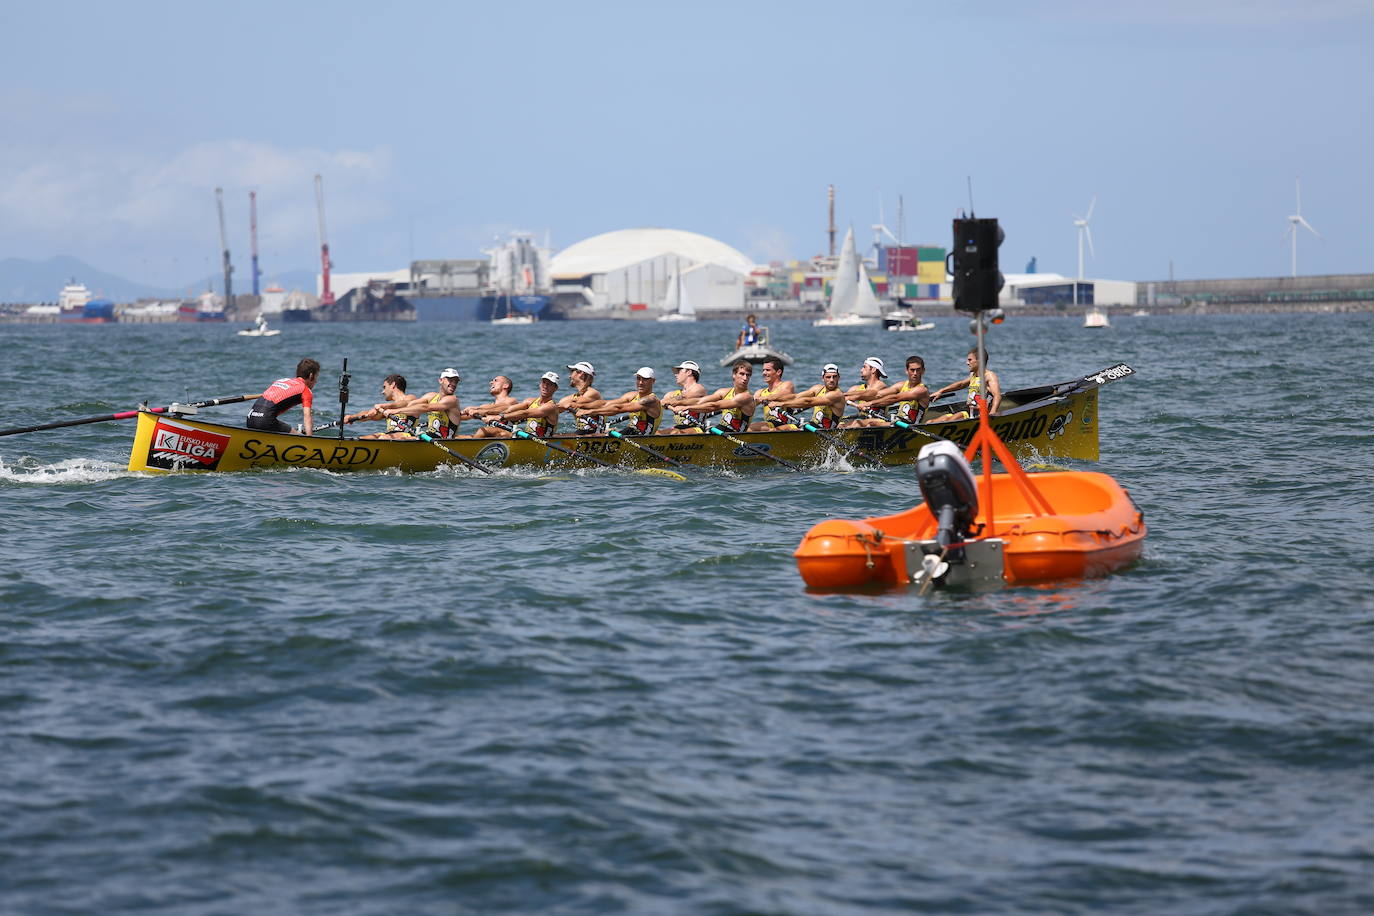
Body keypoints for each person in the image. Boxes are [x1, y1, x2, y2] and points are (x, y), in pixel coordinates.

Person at [669, 359, 755, 434]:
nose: (745, 378)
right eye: (742, 374)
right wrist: (677, 402)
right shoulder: (724, 392)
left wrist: (686, 408)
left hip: (736, 435)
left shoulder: (746, 397)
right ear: (734, 375)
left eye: (748, 375)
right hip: (721, 430)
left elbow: (714, 406)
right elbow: (700, 401)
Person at [576, 367, 662, 435]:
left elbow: (619, 409)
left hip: (642, 439)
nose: (640, 382)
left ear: (653, 381)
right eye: (638, 378)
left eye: (645, 379)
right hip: (630, 433)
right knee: (594, 435)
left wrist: (591, 411)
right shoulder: (632, 395)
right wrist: (580, 405)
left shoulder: (651, 400)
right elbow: (605, 403)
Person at [852, 355, 933, 427]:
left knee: (871, 424)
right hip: (898, 422)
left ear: (923, 371)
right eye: (912, 370)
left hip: (910, 426)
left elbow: (895, 398)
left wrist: (869, 403)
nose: (915, 373)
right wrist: (849, 395)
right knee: (857, 423)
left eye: (918, 370)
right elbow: (878, 394)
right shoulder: (901, 385)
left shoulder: (922, 390)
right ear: (906, 371)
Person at [384, 367, 463, 439]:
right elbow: (411, 405)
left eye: (456, 381)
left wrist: (395, 411)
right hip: (429, 436)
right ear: (440, 380)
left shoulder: (452, 400)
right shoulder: (431, 396)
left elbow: (426, 408)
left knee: (401, 438)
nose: (453, 384)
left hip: (444, 441)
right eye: (450, 380)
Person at [246, 357, 319, 434]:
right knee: (299, 437)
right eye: (316, 377)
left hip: (250, 419)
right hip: (265, 421)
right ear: (311, 376)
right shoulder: (305, 390)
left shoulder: (281, 381)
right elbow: (307, 417)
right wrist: (309, 439)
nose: (316, 381)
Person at [930, 347, 1002, 421]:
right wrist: (941, 391)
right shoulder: (973, 375)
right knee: (931, 421)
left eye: (970, 360)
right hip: (969, 411)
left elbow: (997, 396)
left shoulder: (989, 376)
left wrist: (993, 412)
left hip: (979, 414)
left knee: (952, 419)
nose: (967, 363)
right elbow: (961, 384)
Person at [771, 363, 846, 430]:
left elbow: (808, 402)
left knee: (784, 429)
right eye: (828, 377)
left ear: (839, 378)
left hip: (825, 431)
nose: (832, 380)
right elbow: (796, 396)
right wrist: (769, 398)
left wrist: (782, 404)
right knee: (775, 430)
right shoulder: (818, 389)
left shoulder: (837, 394)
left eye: (834, 377)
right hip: (812, 427)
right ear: (823, 378)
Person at [343, 373, 415, 439]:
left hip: (407, 434)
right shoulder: (387, 410)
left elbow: (404, 403)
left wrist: (383, 406)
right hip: (389, 435)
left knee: (383, 438)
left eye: (384, 387)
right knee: (363, 438)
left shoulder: (410, 398)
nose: (382, 392)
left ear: (393, 385)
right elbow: (369, 415)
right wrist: (352, 417)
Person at [492, 371, 561, 438]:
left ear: (555, 388)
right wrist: (488, 413)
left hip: (541, 442)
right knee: (494, 430)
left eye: (550, 384)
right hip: (528, 438)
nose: (545, 386)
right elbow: (509, 409)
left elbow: (525, 413)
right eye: (544, 383)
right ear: (540, 384)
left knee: (501, 433)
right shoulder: (530, 401)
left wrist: (500, 417)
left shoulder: (551, 407)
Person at [839, 356, 892, 428]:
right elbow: (841, 398)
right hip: (862, 419)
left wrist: (848, 395)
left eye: (864, 367)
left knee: (858, 423)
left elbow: (869, 393)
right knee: (840, 425)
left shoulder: (881, 386)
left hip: (879, 421)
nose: (861, 370)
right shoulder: (856, 388)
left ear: (873, 370)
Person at [748, 356, 796, 431]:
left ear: (778, 372)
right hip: (770, 425)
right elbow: (750, 405)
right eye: (763, 370)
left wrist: (766, 398)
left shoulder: (787, 385)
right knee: (746, 428)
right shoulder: (760, 392)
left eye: (767, 370)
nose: (764, 373)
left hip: (788, 426)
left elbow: (784, 395)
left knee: (751, 428)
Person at [661, 360, 710, 434]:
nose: (675, 374)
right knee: (657, 433)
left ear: (689, 372)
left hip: (697, 428)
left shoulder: (699, 389)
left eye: (679, 371)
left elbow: (685, 396)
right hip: (678, 427)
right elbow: (662, 403)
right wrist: (669, 406)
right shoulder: (672, 393)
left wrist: (668, 402)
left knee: (675, 432)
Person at [558, 360, 605, 435]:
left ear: (581, 373)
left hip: (596, 433)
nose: (569, 376)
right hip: (582, 433)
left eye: (572, 372)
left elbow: (577, 402)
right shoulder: (569, 398)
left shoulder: (593, 393)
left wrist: (565, 404)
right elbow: (557, 408)